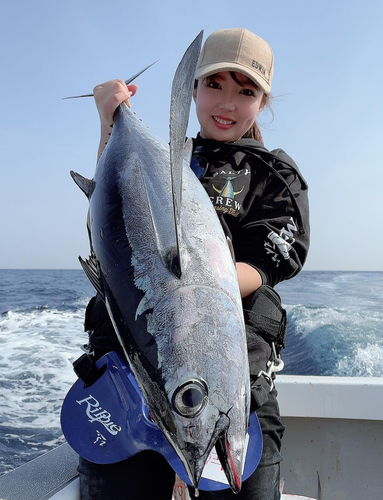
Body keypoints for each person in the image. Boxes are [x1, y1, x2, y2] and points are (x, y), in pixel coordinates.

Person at [76, 28, 310, 500]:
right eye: (214, 85)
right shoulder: (161, 157)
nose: (227, 103)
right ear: (194, 89)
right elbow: (107, 228)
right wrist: (108, 121)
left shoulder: (274, 175)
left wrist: (192, 288)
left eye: (246, 91)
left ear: (262, 102)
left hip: (227, 382)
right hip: (127, 389)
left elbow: (268, 263)